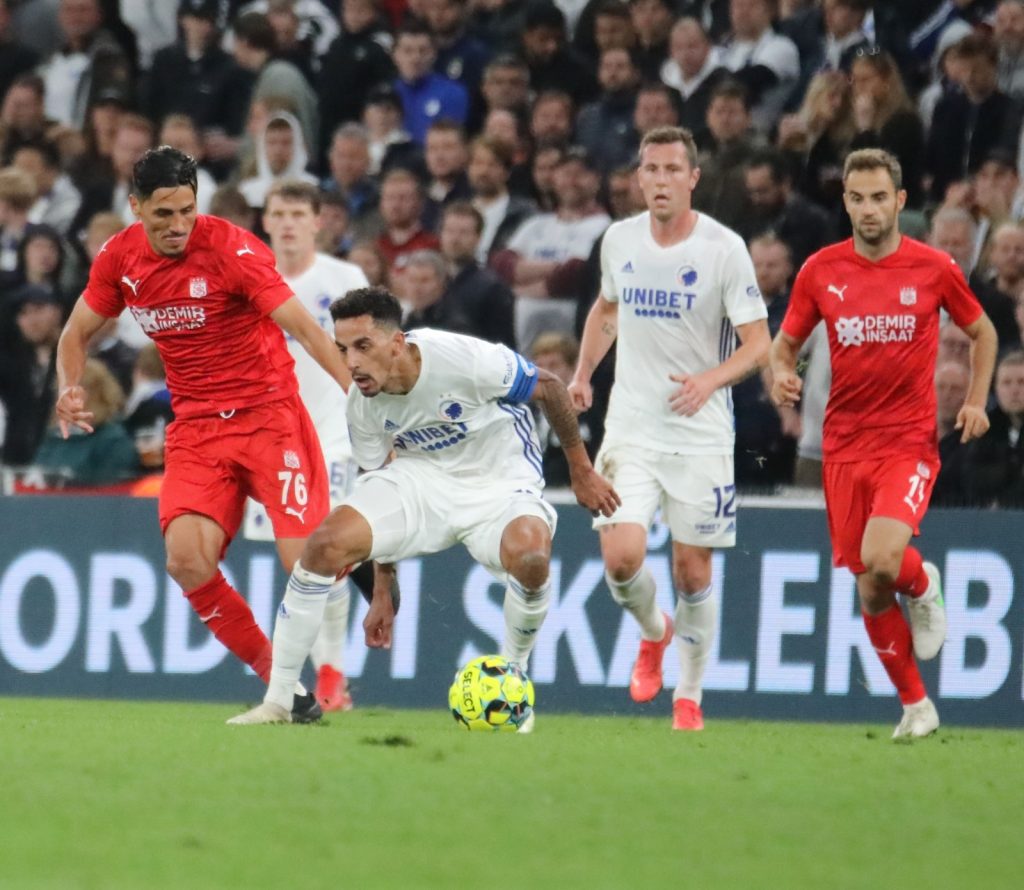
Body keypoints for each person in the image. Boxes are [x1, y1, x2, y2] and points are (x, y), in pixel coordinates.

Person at [228, 285, 620, 725]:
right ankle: (280, 699)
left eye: (362, 346)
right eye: (342, 350)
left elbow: (549, 387)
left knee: (530, 560)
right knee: (323, 546)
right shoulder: (362, 404)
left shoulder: (461, 358)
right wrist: (382, 586)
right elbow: (378, 483)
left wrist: (582, 470)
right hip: (420, 479)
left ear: (397, 343)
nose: (351, 362)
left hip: (498, 480)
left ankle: (513, 680)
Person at [55, 146, 353, 722]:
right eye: (163, 213)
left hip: (269, 417)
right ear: (136, 206)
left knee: (306, 565)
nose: (177, 225)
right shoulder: (119, 258)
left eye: (187, 211)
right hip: (197, 428)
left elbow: (309, 332)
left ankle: (365, 556)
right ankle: (284, 689)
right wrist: (69, 386)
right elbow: (75, 334)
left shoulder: (233, 250)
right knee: (187, 560)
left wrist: (360, 400)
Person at [769, 148, 998, 739]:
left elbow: (983, 332)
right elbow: (785, 344)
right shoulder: (820, 270)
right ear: (845, 203)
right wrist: (783, 373)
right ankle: (916, 705)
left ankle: (923, 585)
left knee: (884, 560)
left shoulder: (933, 267)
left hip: (907, 442)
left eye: (878, 198)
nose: (868, 209)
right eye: (856, 198)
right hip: (842, 447)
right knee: (870, 586)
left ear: (899, 201)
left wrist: (975, 400)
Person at [569, 125, 772, 731]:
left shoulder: (724, 249)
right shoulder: (619, 240)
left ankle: (689, 694)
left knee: (692, 571)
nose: (660, 181)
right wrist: (583, 373)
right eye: (651, 170)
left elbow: (758, 344)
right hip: (631, 426)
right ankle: (654, 631)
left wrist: (710, 380)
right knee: (621, 559)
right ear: (639, 179)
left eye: (672, 170)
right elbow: (608, 309)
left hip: (699, 434)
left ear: (693, 178)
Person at [243, 179, 371, 712]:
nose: (288, 224)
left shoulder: (345, 281)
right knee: (301, 563)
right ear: (265, 221)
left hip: (336, 434)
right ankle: (326, 671)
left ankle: (331, 674)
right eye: (279, 214)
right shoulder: (248, 276)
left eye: (299, 214)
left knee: (326, 549)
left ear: (318, 222)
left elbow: (369, 354)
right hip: (275, 439)